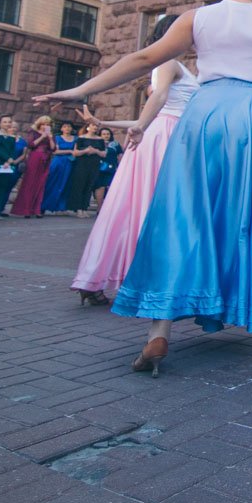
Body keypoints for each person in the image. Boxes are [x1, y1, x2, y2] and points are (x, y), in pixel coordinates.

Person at [36, 0, 252, 375]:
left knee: (184, 216)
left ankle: (158, 332)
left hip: (204, 115)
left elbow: (143, 58)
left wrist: (80, 90)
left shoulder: (196, 18)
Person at [71, 25, 200, 306]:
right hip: (167, 138)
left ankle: (104, 278)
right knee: (153, 210)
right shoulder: (168, 62)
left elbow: (151, 114)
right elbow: (160, 98)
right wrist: (141, 124)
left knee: (133, 209)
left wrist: (104, 123)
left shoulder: (173, 65)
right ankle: (148, 280)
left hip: (165, 133)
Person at [11, 115, 55, 218]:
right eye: (43, 124)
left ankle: (37, 209)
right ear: (39, 124)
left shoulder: (51, 135)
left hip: (45, 159)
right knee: (30, 183)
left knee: (41, 184)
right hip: (35, 158)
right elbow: (31, 145)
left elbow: (53, 148)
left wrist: (50, 138)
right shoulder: (33, 133)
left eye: (48, 124)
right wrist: (42, 137)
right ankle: (26, 209)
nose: (45, 126)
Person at [67, 122, 105, 217]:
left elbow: (104, 154)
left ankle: (84, 208)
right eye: (93, 125)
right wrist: (85, 151)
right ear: (88, 127)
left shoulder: (100, 140)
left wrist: (95, 151)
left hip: (94, 164)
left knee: (89, 185)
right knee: (80, 185)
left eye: (96, 126)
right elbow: (75, 152)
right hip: (82, 163)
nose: (95, 127)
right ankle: (78, 208)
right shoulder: (81, 138)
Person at [41, 122, 77, 214]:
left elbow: (76, 151)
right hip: (58, 162)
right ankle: (44, 205)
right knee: (52, 182)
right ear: (61, 129)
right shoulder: (57, 138)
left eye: (69, 126)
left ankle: (62, 207)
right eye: (65, 126)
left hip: (70, 162)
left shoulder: (76, 139)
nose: (67, 128)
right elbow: (55, 151)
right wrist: (69, 150)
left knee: (66, 183)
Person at [91, 127, 123, 211]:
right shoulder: (96, 143)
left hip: (111, 168)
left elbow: (120, 155)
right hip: (98, 168)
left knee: (111, 187)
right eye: (104, 134)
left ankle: (109, 208)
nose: (106, 136)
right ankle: (99, 208)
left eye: (108, 134)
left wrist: (120, 167)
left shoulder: (115, 144)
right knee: (100, 187)